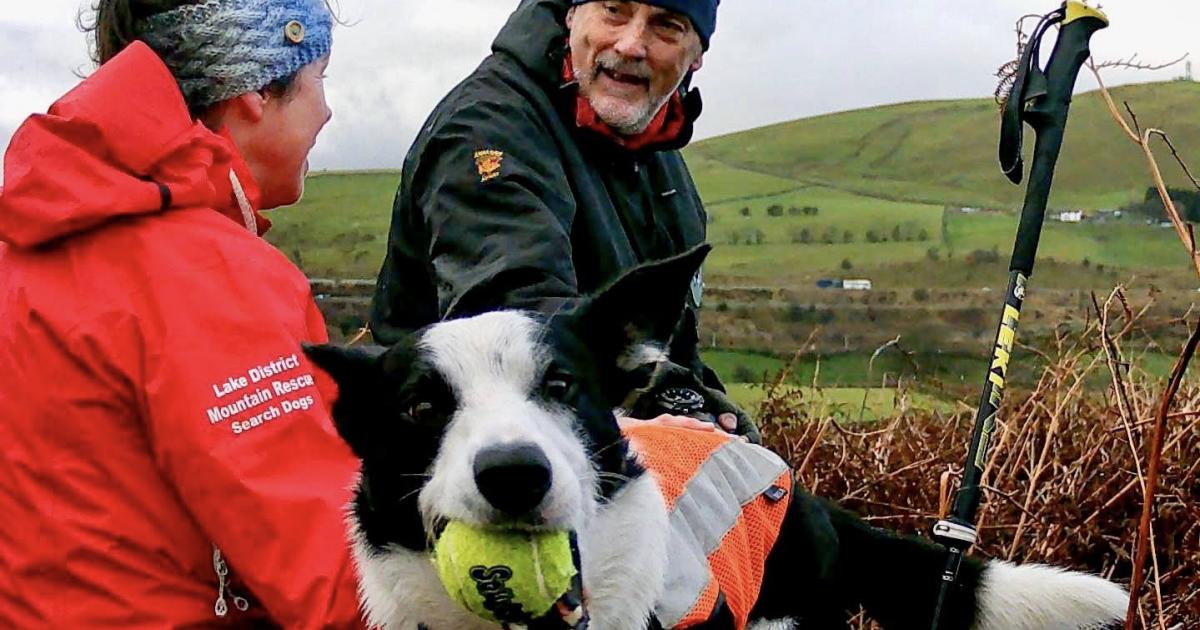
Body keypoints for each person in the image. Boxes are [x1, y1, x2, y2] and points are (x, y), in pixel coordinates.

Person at [0, 0, 367, 627]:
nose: (326, 109)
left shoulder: (26, 248)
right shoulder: (209, 278)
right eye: (319, 78)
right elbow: (340, 587)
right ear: (253, 89)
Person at [370, 0, 757, 440]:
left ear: (697, 52)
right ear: (572, 13)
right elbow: (516, 317)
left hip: (584, 444)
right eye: (614, 10)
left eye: (666, 27)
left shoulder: (652, 144)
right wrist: (657, 400)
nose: (631, 45)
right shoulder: (488, 128)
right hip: (455, 459)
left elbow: (668, 336)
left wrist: (699, 401)